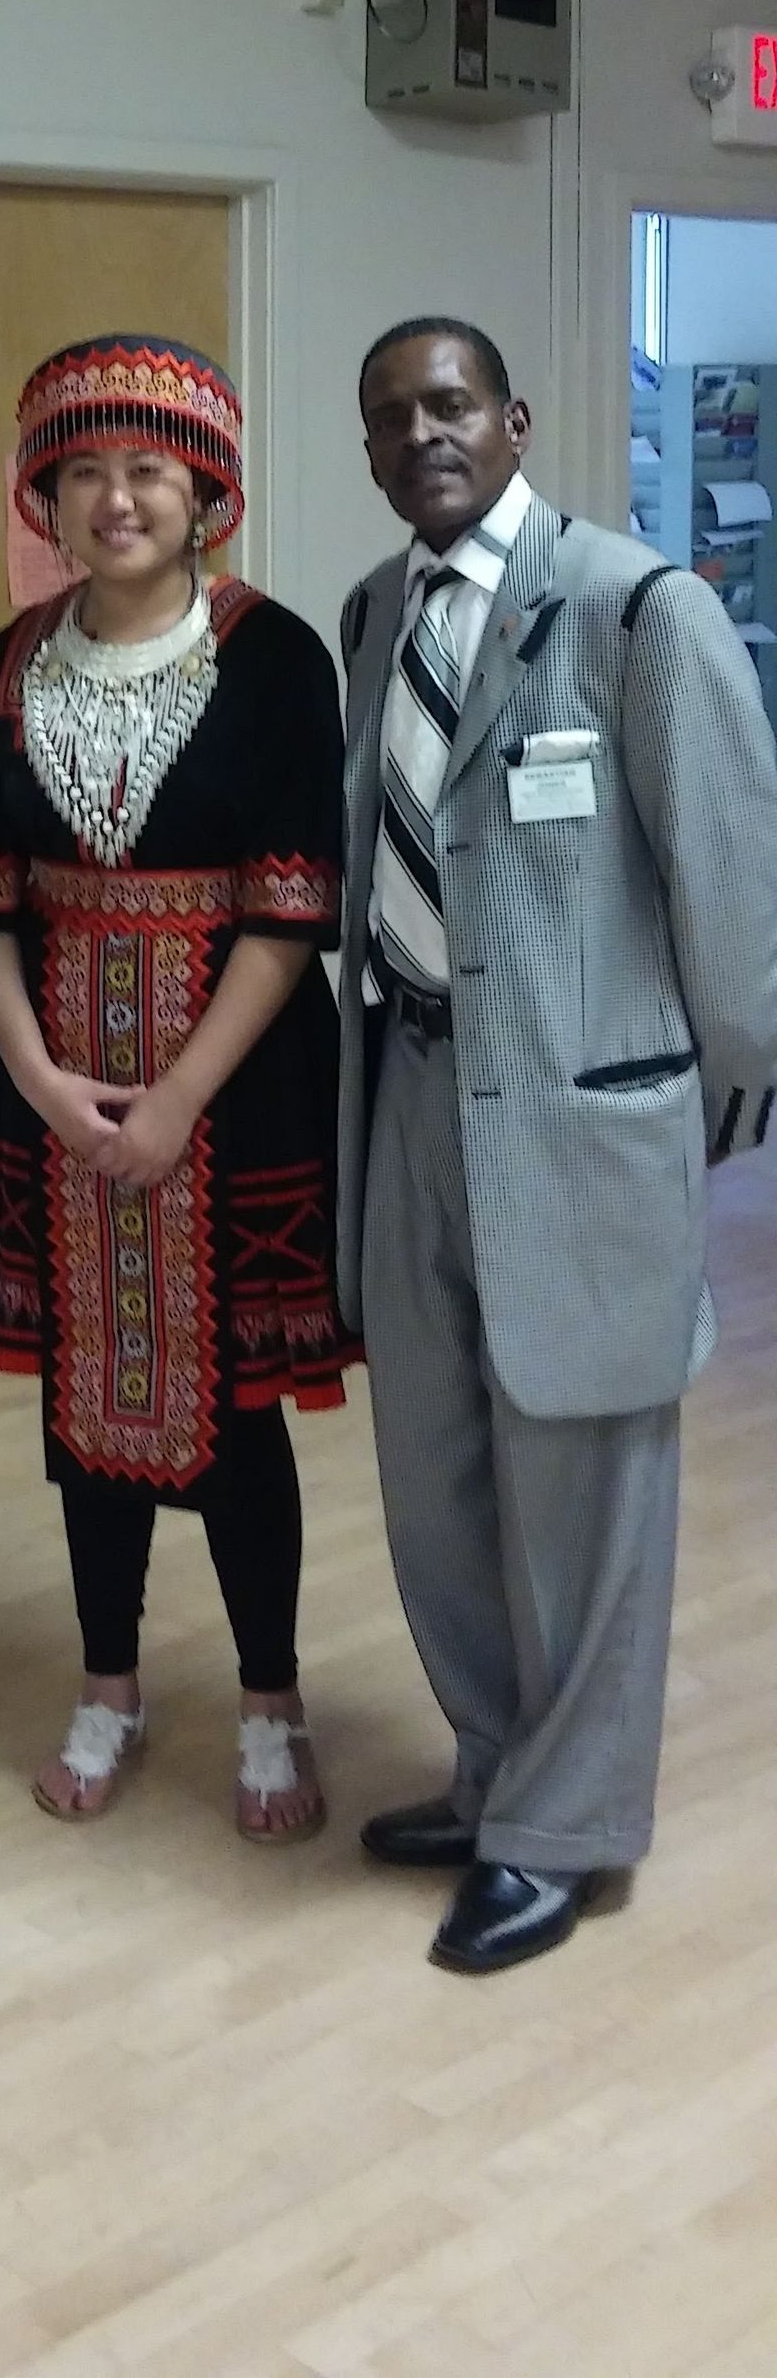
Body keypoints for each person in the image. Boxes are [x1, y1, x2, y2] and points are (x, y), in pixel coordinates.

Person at [342, 317, 777, 1973]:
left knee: (585, 1487)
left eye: (450, 402)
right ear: (370, 452)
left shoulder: (641, 611)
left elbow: (733, 875)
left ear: (514, 419)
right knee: (439, 1474)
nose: (424, 433)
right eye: (391, 417)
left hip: (583, 1114)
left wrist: (730, 1092)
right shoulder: (375, 616)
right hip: (408, 1093)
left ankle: (568, 1826)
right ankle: (495, 1769)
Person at [0, 335, 352, 1842]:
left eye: (148, 468)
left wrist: (179, 1094)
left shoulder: (276, 655)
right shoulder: (6, 667)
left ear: (206, 493)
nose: (116, 498)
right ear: (47, 498)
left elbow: (290, 905)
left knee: (236, 1405)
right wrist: (40, 1079)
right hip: (53, 1079)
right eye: (85, 471)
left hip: (236, 1086)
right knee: (86, 1399)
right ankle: (107, 1683)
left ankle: (270, 1698)